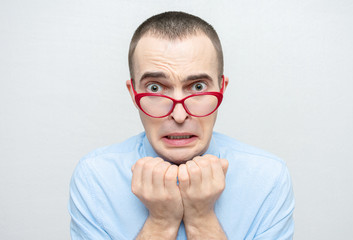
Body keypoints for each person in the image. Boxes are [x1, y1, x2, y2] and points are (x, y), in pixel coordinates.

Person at [68, 11, 295, 239]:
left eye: (198, 87)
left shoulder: (268, 179)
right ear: (133, 92)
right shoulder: (94, 179)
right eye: (155, 88)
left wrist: (201, 220)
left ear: (222, 88)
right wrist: (161, 223)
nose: (178, 115)